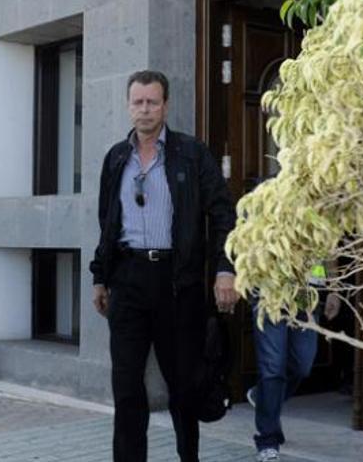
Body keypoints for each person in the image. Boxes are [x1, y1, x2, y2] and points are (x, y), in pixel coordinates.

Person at [89, 70, 238, 462]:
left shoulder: (192, 153)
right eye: (138, 102)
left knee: (184, 387)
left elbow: (223, 213)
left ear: (165, 105)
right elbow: (106, 221)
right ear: (128, 105)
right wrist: (100, 278)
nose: (144, 110)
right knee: (126, 386)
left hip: (178, 282)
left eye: (152, 102)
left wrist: (225, 268)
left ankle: (189, 457)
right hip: (128, 278)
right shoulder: (116, 158)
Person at [247, 265, 342, 462]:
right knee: (272, 367)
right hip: (270, 287)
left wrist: (334, 289)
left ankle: (261, 396)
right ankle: (268, 442)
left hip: (305, 290)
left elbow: (329, 248)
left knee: (303, 364)